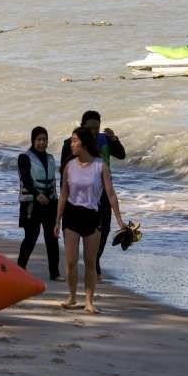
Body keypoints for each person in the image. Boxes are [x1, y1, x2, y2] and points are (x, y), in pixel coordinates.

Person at [54, 126, 126, 314]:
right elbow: (62, 195)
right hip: (71, 214)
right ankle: (71, 297)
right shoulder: (69, 166)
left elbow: (111, 194)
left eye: (74, 140)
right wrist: (57, 221)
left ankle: (89, 301)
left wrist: (119, 220)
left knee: (90, 261)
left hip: (92, 215)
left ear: (84, 143)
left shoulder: (100, 165)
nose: (71, 144)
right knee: (70, 261)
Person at [59, 110, 126, 278]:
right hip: (78, 195)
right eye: (90, 128)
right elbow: (64, 172)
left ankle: (94, 261)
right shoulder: (70, 143)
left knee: (104, 229)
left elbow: (121, 154)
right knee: (78, 230)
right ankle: (82, 264)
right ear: (82, 127)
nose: (94, 132)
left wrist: (114, 139)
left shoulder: (104, 140)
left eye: (97, 128)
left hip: (101, 193)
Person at [16, 126, 61, 281]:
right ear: (33, 140)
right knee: (31, 237)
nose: (42, 143)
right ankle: (20, 268)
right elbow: (26, 179)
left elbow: (54, 181)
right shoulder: (24, 157)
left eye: (45, 139)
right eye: (39, 140)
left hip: (50, 203)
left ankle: (54, 273)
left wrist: (56, 200)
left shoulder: (50, 158)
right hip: (31, 204)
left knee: (52, 238)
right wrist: (37, 195)